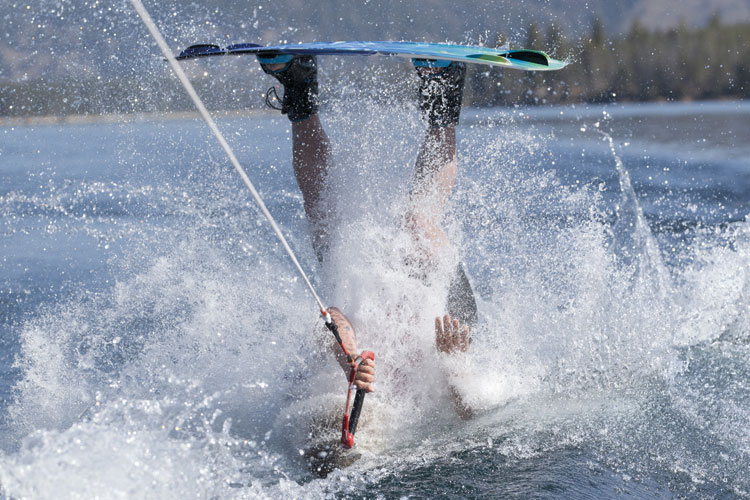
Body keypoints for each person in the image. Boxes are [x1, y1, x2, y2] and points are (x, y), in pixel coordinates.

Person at [257, 53, 477, 417]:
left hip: (364, 307)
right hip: (445, 322)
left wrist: (348, 356)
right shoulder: (404, 423)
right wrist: (455, 367)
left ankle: (299, 87)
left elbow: (333, 318)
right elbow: (472, 416)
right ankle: (445, 93)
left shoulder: (315, 400)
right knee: (418, 225)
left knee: (325, 220)